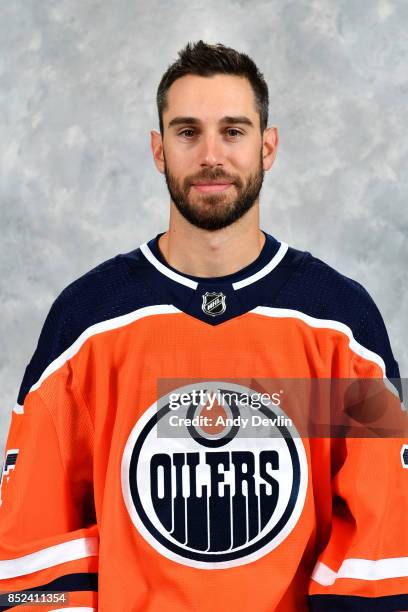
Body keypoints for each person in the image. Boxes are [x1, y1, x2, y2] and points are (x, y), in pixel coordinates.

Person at [0, 39, 406, 612]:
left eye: (234, 131)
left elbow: (382, 539)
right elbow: (33, 540)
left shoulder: (340, 321)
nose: (211, 155)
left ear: (268, 147)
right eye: (188, 132)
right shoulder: (88, 320)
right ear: (158, 149)